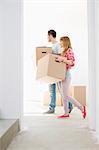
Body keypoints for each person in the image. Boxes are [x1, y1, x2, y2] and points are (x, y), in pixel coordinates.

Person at [55, 36, 86, 119]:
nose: (60, 43)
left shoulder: (69, 51)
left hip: (66, 74)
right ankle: (66, 113)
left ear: (65, 42)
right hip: (60, 74)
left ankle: (81, 108)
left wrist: (63, 59)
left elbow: (71, 62)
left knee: (66, 95)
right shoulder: (63, 51)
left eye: (61, 42)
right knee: (63, 95)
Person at [45, 30, 73, 114]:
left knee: (61, 91)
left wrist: (52, 55)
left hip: (56, 71)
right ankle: (52, 107)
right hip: (51, 71)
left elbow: (61, 56)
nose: (47, 38)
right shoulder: (52, 46)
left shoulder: (57, 45)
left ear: (50, 35)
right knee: (52, 90)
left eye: (48, 36)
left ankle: (69, 105)